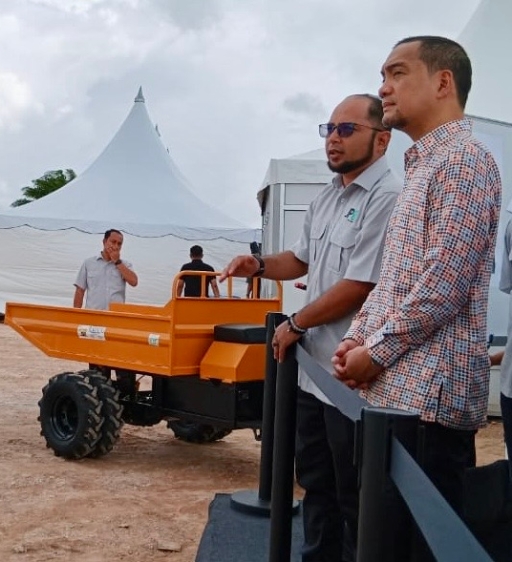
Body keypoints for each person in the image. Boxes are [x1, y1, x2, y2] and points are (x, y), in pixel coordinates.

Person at [333, 36, 502, 547]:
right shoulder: (426, 166)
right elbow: (397, 279)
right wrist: (355, 339)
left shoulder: (465, 163)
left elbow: (442, 288)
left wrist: (373, 352)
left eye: (397, 73)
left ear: (443, 82)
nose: (383, 87)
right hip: (399, 400)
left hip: (428, 407)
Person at [221, 94, 400, 562]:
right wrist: (256, 264)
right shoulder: (329, 194)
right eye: (329, 129)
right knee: (315, 483)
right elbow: (299, 259)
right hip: (312, 374)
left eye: (347, 130)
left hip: (349, 377)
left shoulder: (388, 197)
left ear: (381, 141)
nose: (333, 140)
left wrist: (295, 323)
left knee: (353, 494)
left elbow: (360, 285)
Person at [73, 229, 138, 310]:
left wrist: (117, 262)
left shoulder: (125, 265)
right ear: (104, 241)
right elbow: (80, 290)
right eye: (113, 242)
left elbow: (134, 282)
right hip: (93, 316)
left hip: (115, 318)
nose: (116, 246)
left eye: (119, 244)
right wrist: (76, 315)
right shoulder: (89, 263)